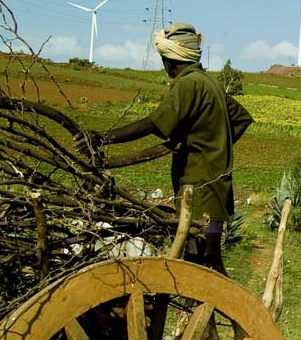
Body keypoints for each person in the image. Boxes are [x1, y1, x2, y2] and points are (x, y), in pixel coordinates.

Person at [75, 22, 253, 275]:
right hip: (216, 184)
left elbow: (154, 122)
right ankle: (214, 312)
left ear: (171, 59)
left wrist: (104, 137)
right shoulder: (208, 82)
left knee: (199, 257)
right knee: (210, 256)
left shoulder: (187, 83)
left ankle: (223, 312)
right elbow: (241, 119)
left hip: (197, 184)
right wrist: (216, 147)